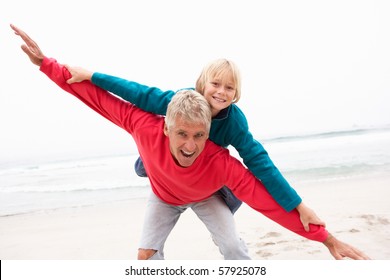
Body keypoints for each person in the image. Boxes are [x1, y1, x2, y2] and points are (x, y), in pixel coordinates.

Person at [11, 24, 370, 260]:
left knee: (231, 246)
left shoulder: (229, 140)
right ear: (168, 125)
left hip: (206, 189)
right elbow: (118, 96)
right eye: (181, 133)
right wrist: (53, 65)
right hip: (163, 191)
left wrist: (318, 228)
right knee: (146, 258)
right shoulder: (160, 113)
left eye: (199, 136)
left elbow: (262, 174)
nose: (190, 143)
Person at [61, 52, 324, 230]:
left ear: (236, 93)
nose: (221, 92)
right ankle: (147, 165)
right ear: (202, 84)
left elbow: (260, 163)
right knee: (152, 155)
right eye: (216, 84)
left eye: (229, 88)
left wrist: (298, 205)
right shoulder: (182, 100)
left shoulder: (234, 122)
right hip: (170, 159)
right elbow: (139, 94)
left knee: (228, 185)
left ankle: (217, 204)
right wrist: (92, 76)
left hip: (204, 170)